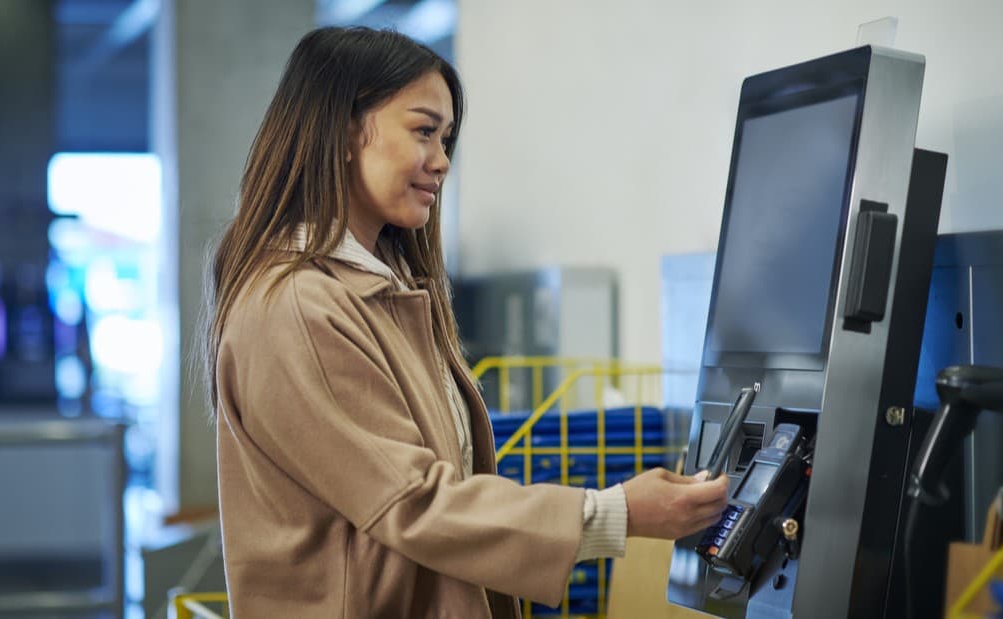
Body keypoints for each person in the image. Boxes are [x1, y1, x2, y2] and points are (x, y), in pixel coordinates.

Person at [207, 26, 728, 618]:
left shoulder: (376, 293)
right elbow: (416, 503)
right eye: (424, 131)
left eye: (446, 137)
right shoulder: (296, 308)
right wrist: (618, 513)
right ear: (347, 131)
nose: (442, 160)